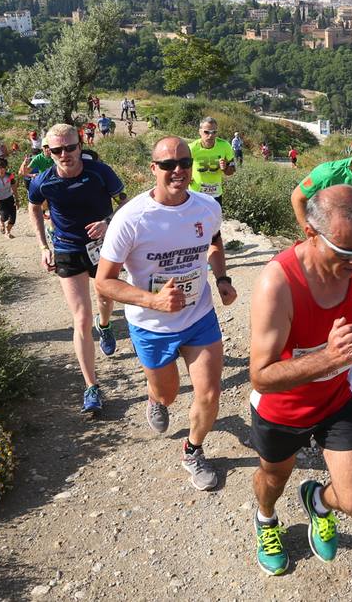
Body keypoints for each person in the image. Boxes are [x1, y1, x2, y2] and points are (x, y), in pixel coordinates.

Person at [247, 184, 352, 576]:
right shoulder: (278, 284)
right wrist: (329, 358)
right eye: (346, 252)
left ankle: (318, 501)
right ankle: (266, 519)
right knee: (274, 479)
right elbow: (261, 377)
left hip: (338, 398)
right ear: (310, 233)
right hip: (284, 409)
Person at [96, 137, 236, 491]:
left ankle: (193, 450)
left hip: (198, 316)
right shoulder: (131, 219)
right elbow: (104, 282)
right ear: (153, 169)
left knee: (209, 393)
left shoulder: (207, 207)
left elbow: (214, 242)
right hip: (151, 325)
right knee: (168, 395)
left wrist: (222, 278)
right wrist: (153, 301)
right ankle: (154, 397)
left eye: (184, 163)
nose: (178, 170)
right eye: (168, 164)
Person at [27, 124, 127, 416]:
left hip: (102, 247)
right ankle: (91, 386)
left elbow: (125, 203)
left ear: (79, 146)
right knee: (81, 318)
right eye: (57, 150)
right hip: (67, 249)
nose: (65, 154)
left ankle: (104, 325)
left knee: (105, 299)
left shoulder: (100, 172)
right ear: (48, 152)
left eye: (70, 148)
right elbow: (34, 208)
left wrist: (108, 222)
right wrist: (43, 247)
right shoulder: (43, 181)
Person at [189, 117, 236, 204]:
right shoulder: (192, 148)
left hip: (215, 195)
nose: (210, 135)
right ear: (200, 132)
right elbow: (179, 167)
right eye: (206, 132)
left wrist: (225, 168)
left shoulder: (224, 145)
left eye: (214, 132)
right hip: (195, 194)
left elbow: (232, 170)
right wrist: (186, 177)